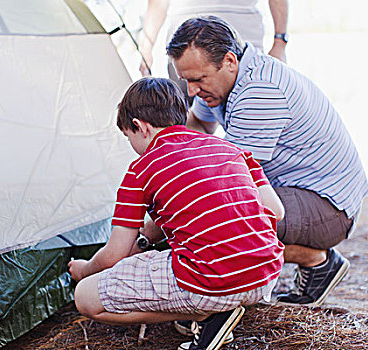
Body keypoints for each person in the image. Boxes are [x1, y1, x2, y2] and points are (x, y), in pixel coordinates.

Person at [166, 16, 368, 308]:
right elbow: (198, 124)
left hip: (330, 207)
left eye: (198, 80)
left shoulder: (259, 92)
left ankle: (316, 260)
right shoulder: (223, 79)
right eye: (187, 80)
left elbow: (227, 181)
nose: (191, 91)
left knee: (221, 219)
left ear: (229, 61)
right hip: (299, 191)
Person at [68, 77, 285, 350]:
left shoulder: (141, 169)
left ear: (139, 126)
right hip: (264, 277)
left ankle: (206, 314)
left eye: (129, 137)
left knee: (85, 297)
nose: (132, 146)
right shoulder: (232, 149)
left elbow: (114, 254)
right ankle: (219, 307)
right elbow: (276, 212)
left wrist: (85, 270)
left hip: (209, 282)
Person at [139, 0, 289, 104]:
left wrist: (280, 42)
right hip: (184, 52)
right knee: (191, 118)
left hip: (241, 47)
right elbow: (158, 3)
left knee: (251, 116)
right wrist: (146, 45)